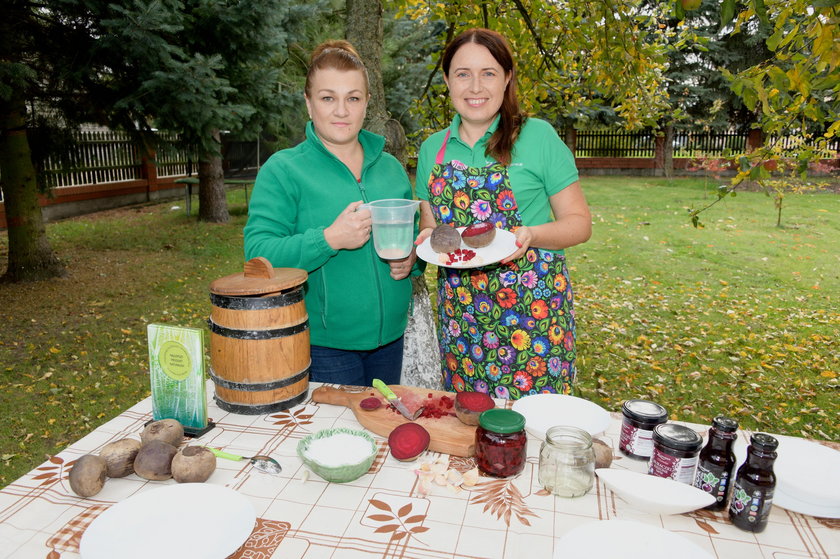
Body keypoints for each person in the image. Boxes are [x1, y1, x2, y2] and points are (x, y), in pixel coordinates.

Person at [414, 28, 592, 399]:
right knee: (470, 424)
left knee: (534, 427)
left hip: (534, 314)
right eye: (463, 73)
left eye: (489, 73)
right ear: (447, 80)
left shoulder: (538, 137)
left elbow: (579, 224)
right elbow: (433, 228)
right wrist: (423, 241)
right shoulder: (433, 150)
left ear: (507, 78)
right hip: (463, 319)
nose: (475, 86)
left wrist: (533, 236)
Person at [244, 40, 417, 387]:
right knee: (342, 439)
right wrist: (329, 239)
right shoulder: (284, 170)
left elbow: (411, 239)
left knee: (381, 433)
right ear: (309, 104)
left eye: (353, 98)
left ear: (367, 103)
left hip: (392, 340)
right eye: (328, 98)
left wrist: (413, 258)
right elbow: (257, 256)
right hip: (327, 347)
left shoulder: (391, 169)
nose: (341, 110)